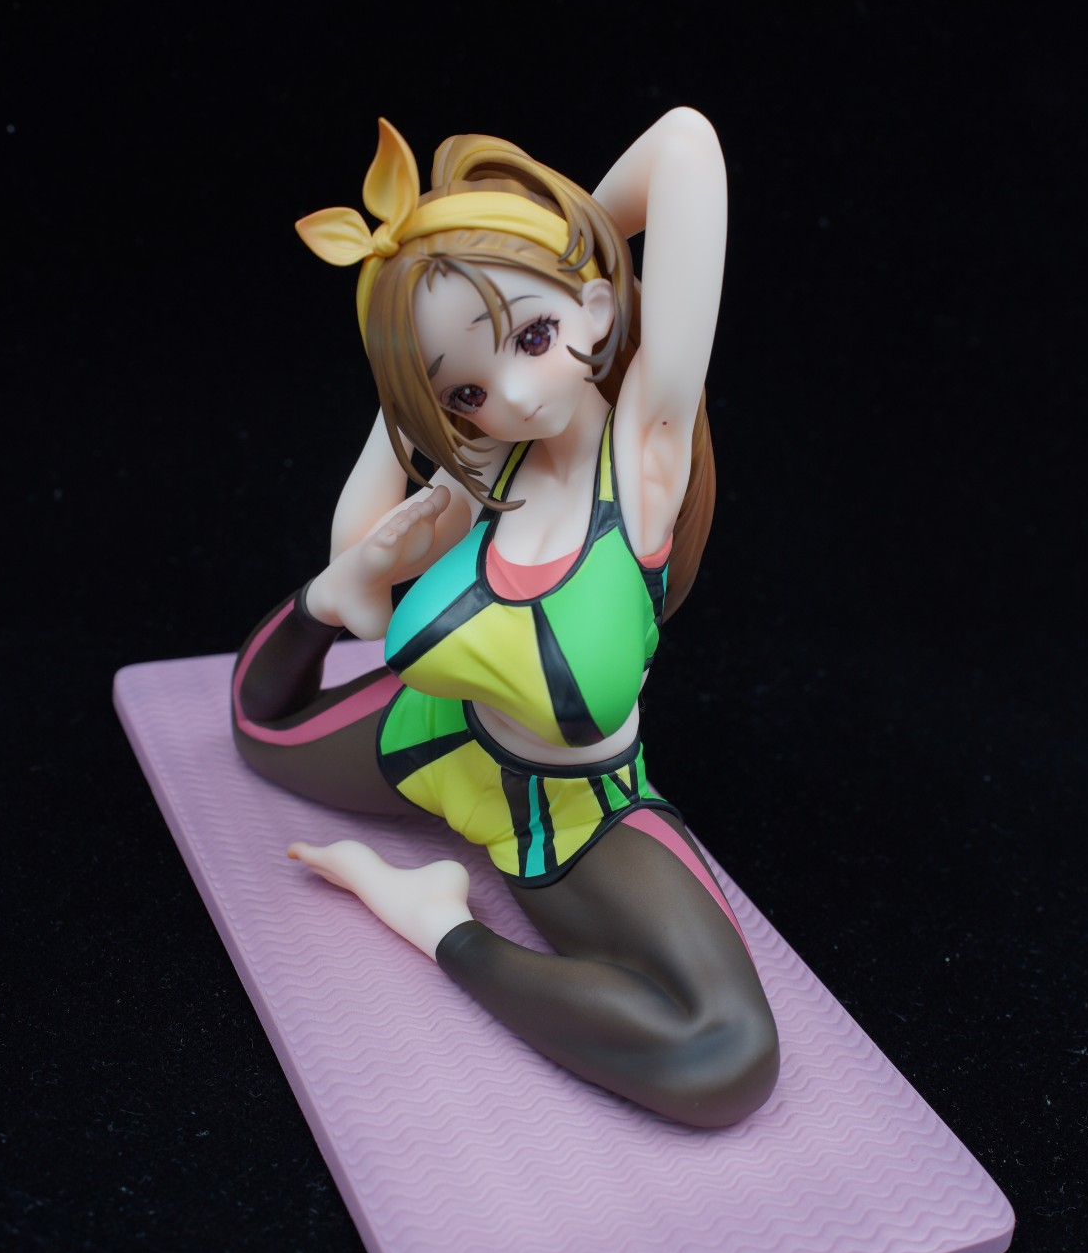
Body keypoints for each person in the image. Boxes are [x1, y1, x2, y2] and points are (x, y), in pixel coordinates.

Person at [231, 111, 778, 1128]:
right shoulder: (484, 461)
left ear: (597, 309)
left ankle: (432, 920)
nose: (517, 395)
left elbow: (684, 146)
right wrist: (413, 389)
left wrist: (539, 253)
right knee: (258, 733)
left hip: (578, 815)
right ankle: (322, 601)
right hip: (434, 742)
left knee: (726, 1056)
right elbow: (352, 572)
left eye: (533, 338)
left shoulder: (643, 457)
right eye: (472, 388)